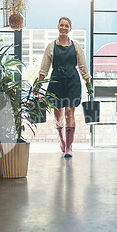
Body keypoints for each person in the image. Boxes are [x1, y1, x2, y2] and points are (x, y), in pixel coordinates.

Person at [38, 17, 93, 158]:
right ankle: (61, 137)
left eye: (66, 26)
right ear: (58, 27)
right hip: (56, 81)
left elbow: (82, 66)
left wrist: (88, 83)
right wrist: (38, 85)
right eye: (61, 25)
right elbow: (44, 68)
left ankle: (69, 146)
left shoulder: (76, 46)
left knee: (70, 111)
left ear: (70, 29)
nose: (64, 27)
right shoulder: (51, 46)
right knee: (58, 114)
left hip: (72, 81)